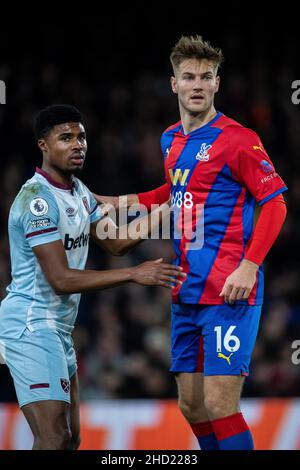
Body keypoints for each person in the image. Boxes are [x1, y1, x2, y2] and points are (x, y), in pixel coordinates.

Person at [95, 36, 288, 450]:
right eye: (188, 77)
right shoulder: (170, 140)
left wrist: (249, 265)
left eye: (206, 77)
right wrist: (113, 202)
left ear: (217, 84)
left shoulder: (239, 139)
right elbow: (172, 192)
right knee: (192, 406)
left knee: (220, 404)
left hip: (229, 291)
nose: (197, 84)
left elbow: (275, 205)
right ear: (173, 84)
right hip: (186, 290)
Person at [0, 104, 185, 450]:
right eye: (65, 138)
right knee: (53, 436)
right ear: (43, 145)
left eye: (81, 137)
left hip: (58, 329)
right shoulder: (37, 201)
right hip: (30, 324)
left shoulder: (79, 192)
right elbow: (61, 279)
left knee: (72, 439)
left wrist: (167, 208)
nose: (77, 145)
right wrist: (134, 274)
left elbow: (116, 242)